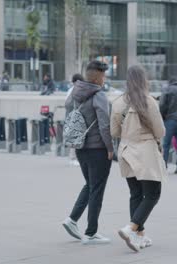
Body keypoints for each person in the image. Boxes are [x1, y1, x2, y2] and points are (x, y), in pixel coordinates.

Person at [111, 65, 166, 252]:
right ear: (144, 80)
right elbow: (160, 131)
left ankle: (139, 236)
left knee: (135, 193)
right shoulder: (148, 101)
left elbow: (114, 131)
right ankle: (131, 228)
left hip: (126, 150)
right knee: (152, 194)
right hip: (145, 152)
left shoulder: (118, 102)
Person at [62, 61, 114, 245]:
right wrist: (110, 148)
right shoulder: (98, 95)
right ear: (99, 76)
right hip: (98, 150)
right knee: (97, 189)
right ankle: (91, 233)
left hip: (80, 148)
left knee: (91, 185)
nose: (105, 78)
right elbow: (105, 125)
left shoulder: (75, 93)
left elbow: (68, 114)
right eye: (104, 75)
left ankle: (72, 219)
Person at [66, 73, 85, 167]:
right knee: (76, 138)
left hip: (70, 117)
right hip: (77, 116)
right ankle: (73, 158)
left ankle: (73, 158)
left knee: (74, 137)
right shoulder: (77, 91)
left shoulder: (70, 90)